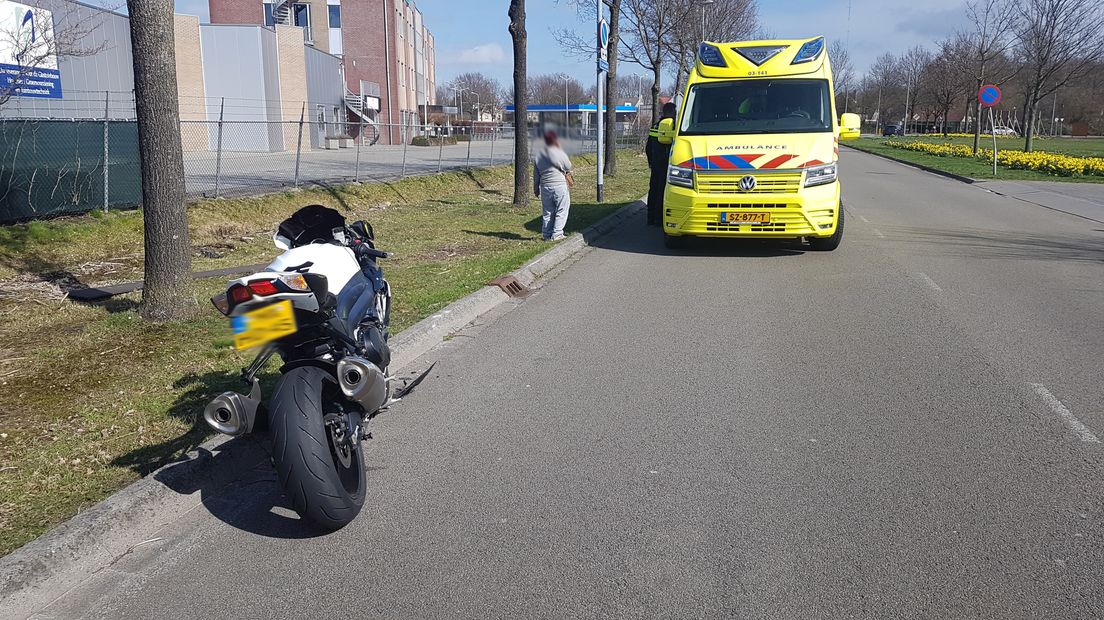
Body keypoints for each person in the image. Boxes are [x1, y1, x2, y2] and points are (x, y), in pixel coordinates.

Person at [533, 130, 574, 241]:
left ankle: (546, 235)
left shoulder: (539, 155)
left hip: (545, 186)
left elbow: (536, 175)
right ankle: (557, 233)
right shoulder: (558, 152)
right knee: (562, 209)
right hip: (559, 185)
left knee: (548, 211)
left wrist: (536, 189)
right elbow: (568, 166)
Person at [645, 102, 677, 226]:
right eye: (674, 112)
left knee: (653, 190)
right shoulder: (674, 127)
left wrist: (651, 162)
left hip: (655, 163)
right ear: (671, 113)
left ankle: (650, 217)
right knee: (663, 191)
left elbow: (648, 147)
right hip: (666, 164)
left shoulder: (655, 126)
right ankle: (659, 219)